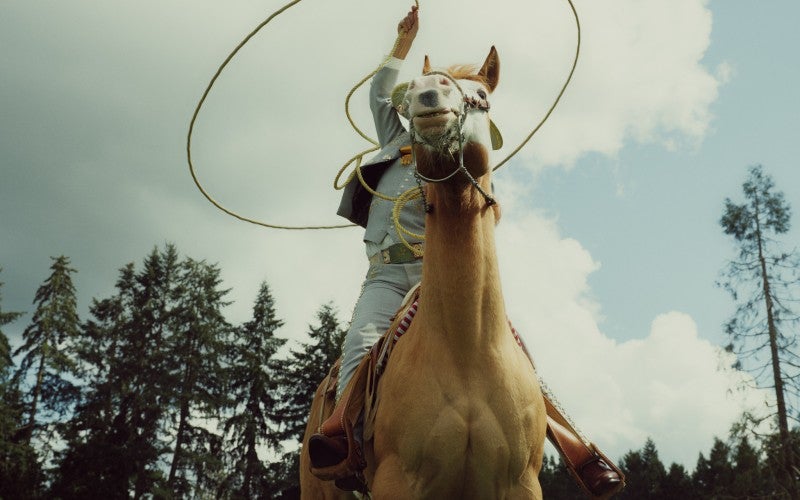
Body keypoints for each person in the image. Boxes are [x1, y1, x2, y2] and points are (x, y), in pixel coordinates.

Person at [311, 7, 623, 497]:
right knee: (360, 344)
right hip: (387, 277)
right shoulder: (397, 140)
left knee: (510, 349)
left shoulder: (458, 150)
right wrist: (402, 44)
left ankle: (572, 443)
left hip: (441, 272)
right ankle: (345, 436)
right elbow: (379, 95)